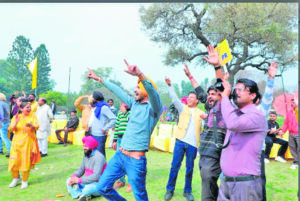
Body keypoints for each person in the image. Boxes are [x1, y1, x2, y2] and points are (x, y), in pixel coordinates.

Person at [87, 59, 162, 201]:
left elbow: (153, 93)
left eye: (138, 88)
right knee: (102, 187)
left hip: (135, 160)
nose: (135, 90)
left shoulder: (154, 109)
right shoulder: (134, 104)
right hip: (120, 155)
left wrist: (140, 74)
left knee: (140, 196)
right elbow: (118, 91)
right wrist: (100, 79)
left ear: (146, 90)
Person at [183, 46, 226, 201]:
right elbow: (200, 93)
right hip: (204, 154)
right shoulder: (211, 105)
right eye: (209, 94)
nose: (209, 96)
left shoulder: (223, 107)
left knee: (207, 193)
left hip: (215, 155)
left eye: (213, 94)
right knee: (209, 185)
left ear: (221, 96)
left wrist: (216, 66)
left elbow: (221, 85)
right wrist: (190, 76)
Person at [217, 78, 267, 201]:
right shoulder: (235, 114)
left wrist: (225, 98)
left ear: (252, 95)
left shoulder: (256, 115)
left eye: (240, 89)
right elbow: (223, 94)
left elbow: (233, 124)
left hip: (245, 184)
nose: (236, 92)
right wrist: (217, 66)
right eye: (235, 89)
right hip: (226, 181)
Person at [164, 77, 204, 201]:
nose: (189, 99)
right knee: (175, 166)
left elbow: (204, 128)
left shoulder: (200, 113)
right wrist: (170, 86)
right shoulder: (182, 108)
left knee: (190, 168)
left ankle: (187, 191)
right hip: (180, 141)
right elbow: (175, 99)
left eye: (192, 97)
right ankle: (170, 190)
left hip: (192, 144)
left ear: (197, 100)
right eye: (189, 97)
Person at [8, 101, 41, 189]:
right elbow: (11, 129)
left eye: (29, 107)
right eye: (27, 107)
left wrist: (31, 125)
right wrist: (15, 122)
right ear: (21, 109)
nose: (29, 108)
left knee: (25, 161)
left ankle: (24, 180)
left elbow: (37, 126)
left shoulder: (33, 116)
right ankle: (16, 178)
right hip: (16, 142)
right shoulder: (16, 117)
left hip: (27, 142)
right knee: (14, 161)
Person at [66, 136, 106, 201]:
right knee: (68, 180)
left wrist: (78, 180)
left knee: (87, 189)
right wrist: (73, 177)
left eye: (86, 146)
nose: (83, 148)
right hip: (88, 182)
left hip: (99, 184)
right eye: (83, 146)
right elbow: (81, 170)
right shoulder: (86, 155)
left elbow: (95, 177)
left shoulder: (99, 157)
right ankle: (79, 195)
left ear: (92, 147)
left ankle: (82, 192)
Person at [86, 91, 116, 158]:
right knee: (93, 154)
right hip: (93, 133)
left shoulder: (104, 108)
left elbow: (114, 119)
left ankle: (103, 168)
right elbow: (94, 119)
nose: (91, 99)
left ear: (95, 98)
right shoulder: (96, 108)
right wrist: (89, 126)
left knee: (100, 155)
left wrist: (105, 128)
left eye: (92, 97)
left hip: (100, 135)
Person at [112, 102, 131, 191]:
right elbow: (117, 126)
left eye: (123, 104)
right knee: (119, 160)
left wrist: (125, 112)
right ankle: (121, 181)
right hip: (119, 139)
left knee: (129, 161)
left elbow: (131, 124)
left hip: (128, 139)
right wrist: (114, 140)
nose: (121, 106)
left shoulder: (131, 113)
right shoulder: (119, 113)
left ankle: (131, 183)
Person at [282, 97, 299, 170]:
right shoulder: (289, 112)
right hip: (291, 133)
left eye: (294, 101)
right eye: (291, 101)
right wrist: (283, 131)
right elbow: (286, 123)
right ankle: (296, 162)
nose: (292, 103)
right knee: (292, 148)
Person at [0, 93, 11, 158]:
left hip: (3, 123)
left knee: (5, 138)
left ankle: (10, 151)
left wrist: (0, 122)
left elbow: (1, 114)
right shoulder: (5, 103)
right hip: (7, 122)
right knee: (7, 137)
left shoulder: (0, 104)